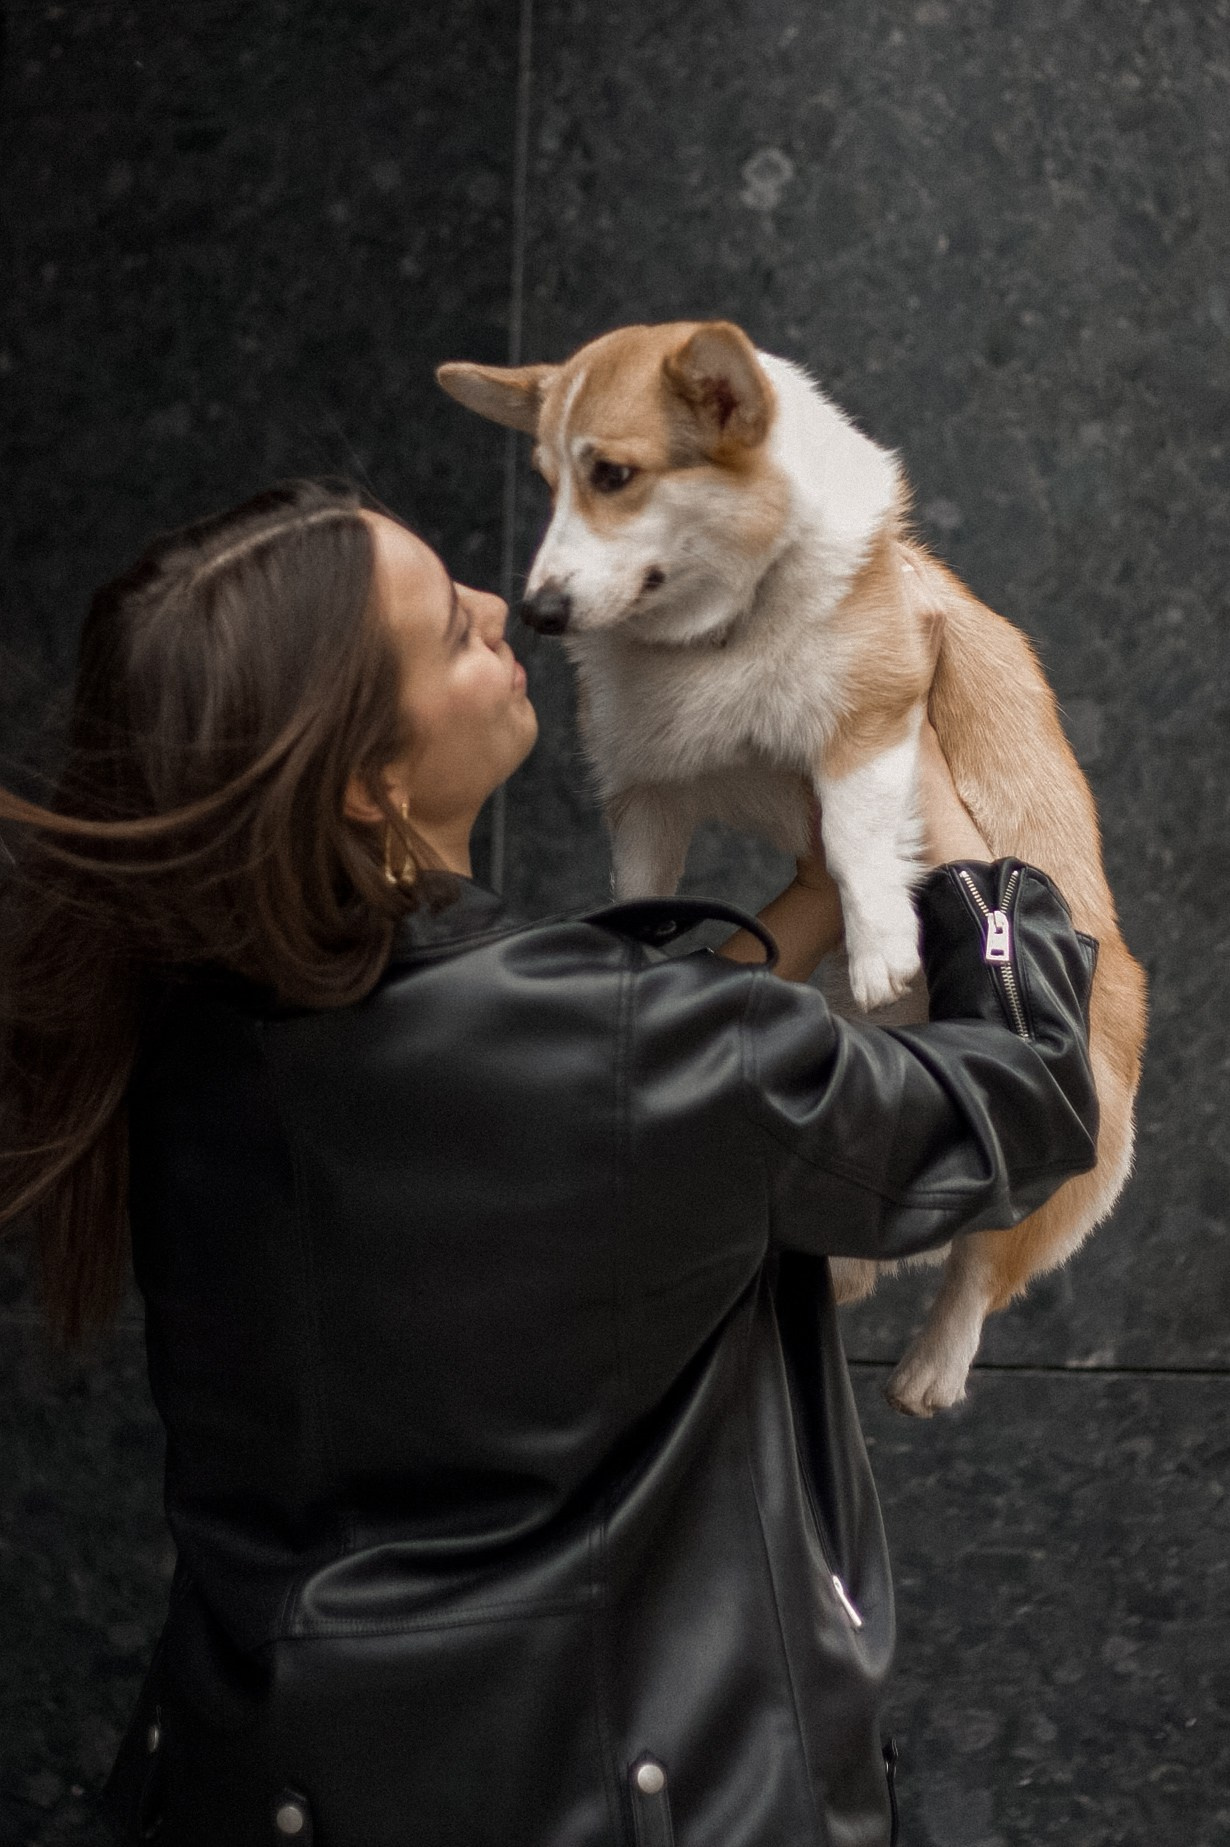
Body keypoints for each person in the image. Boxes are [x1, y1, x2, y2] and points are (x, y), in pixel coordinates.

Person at [0, 479, 1099, 1847]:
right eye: (447, 632)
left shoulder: (178, 1043)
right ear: (366, 779)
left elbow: (560, 1085)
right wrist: (935, 810)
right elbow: (1030, 1094)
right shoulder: (648, 1052)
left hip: (246, 1788)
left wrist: (808, 910)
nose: (492, 600)